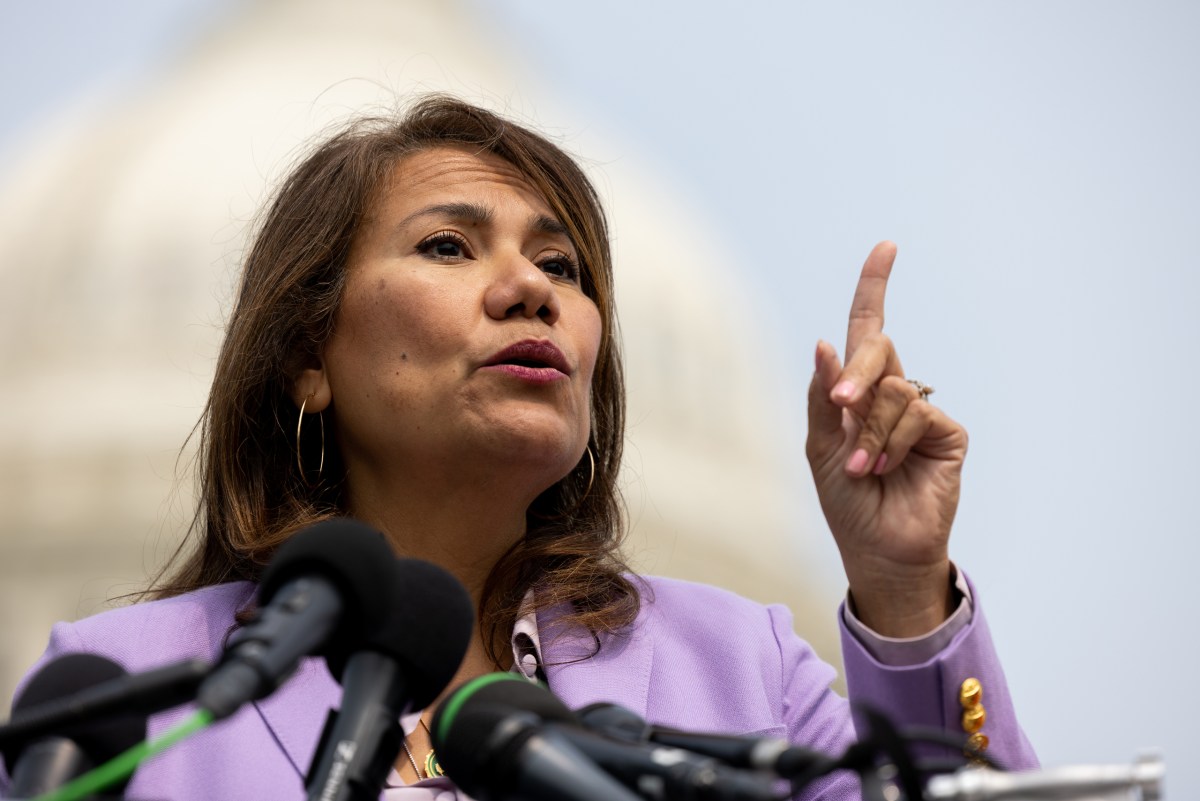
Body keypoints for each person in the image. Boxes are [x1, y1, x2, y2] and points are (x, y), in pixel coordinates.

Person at [1, 96, 1037, 800]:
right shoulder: (124, 694)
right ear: (307, 354)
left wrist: (902, 586)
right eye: (447, 246)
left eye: (562, 264)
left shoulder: (742, 675)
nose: (533, 286)